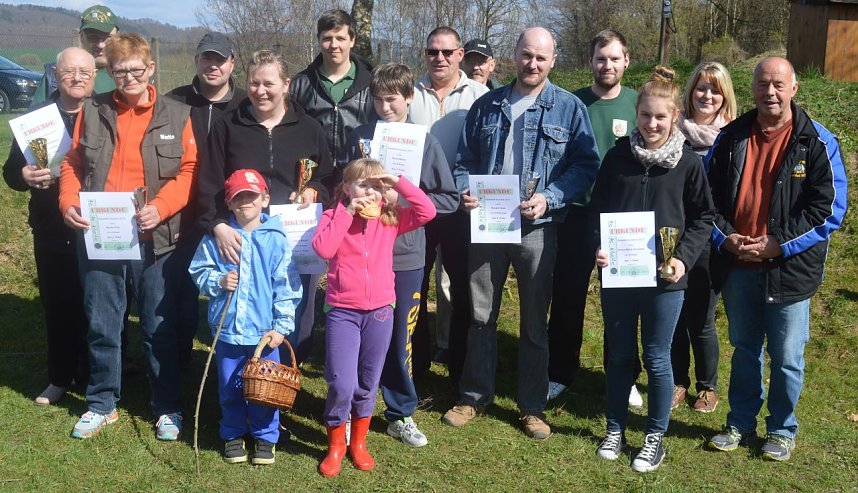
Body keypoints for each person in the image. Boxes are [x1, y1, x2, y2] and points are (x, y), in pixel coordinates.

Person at [443, 27, 600, 440]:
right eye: (526, 55)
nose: (533, 64)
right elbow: (464, 158)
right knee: (480, 314)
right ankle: (473, 395)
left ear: (553, 61)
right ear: (514, 55)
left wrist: (550, 197)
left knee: (534, 320)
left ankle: (531, 406)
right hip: (488, 223)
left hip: (538, 228)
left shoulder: (568, 108)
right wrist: (465, 189)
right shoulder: (488, 104)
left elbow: (585, 165)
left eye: (541, 58)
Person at [706, 57, 847, 462]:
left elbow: (828, 209)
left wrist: (778, 244)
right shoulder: (730, 137)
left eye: (778, 85)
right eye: (763, 84)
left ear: (794, 89)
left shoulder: (818, 142)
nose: (770, 91)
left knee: (787, 357)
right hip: (739, 265)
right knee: (745, 347)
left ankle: (782, 429)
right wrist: (726, 238)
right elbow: (707, 199)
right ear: (752, 89)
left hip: (789, 268)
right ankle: (740, 422)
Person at [59, 33, 197, 440]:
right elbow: (72, 161)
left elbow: (188, 171)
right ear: (110, 72)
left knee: (159, 326)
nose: (130, 78)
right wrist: (67, 202)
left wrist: (163, 207)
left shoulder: (177, 113)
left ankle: (168, 407)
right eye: (121, 72)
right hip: (101, 236)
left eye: (137, 70)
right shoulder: (94, 109)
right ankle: (102, 403)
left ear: (150, 68)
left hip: (156, 239)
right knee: (102, 323)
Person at [591, 66, 715, 472]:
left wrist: (683, 257)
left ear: (675, 116)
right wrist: (600, 247)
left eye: (661, 116)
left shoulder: (687, 164)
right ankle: (614, 427)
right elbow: (598, 211)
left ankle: (654, 436)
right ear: (637, 113)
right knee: (621, 354)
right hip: (620, 276)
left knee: (658, 357)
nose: (652, 123)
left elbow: (703, 216)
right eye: (645, 115)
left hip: (666, 279)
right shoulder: (616, 158)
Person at [340, 63, 459, 447]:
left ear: (410, 97)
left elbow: (448, 198)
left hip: (405, 254)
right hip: (359, 254)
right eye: (377, 99)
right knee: (353, 338)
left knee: (399, 337)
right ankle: (347, 411)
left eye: (392, 99)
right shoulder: (359, 138)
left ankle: (400, 412)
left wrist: (402, 196)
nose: (384, 107)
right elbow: (341, 188)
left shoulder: (425, 141)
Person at [312, 159, 436, 478]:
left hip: (381, 311)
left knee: (368, 382)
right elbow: (323, 248)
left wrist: (398, 181)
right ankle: (336, 445)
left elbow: (427, 211)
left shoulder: (389, 218)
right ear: (346, 188)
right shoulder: (334, 216)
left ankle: (358, 444)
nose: (370, 192)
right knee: (342, 383)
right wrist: (346, 212)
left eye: (377, 186)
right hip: (343, 311)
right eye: (363, 184)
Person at [547, 29, 643, 407]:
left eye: (615, 58)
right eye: (601, 58)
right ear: (591, 61)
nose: (608, 65)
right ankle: (559, 373)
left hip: (622, 219)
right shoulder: (572, 103)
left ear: (626, 61)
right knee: (567, 297)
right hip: (576, 215)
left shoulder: (638, 104)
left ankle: (624, 376)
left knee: (621, 304)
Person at [188, 169, 302, 466]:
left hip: (265, 336)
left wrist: (281, 327)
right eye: (238, 198)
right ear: (229, 204)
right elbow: (199, 270)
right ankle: (233, 433)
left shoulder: (276, 240)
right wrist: (219, 281)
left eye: (252, 196)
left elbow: (286, 285)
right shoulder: (217, 239)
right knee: (230, 386)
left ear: (265, 199)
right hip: (227, 332)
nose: (245, 203)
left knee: (265, 391)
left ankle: (265, 436)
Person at [3, 47, 95, 406]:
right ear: (55, 74)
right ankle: (59, 376)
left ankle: (94, 376)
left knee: (96, 303)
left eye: (84, 73)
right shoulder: (36, 117)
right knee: (57, 304)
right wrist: (24, 174)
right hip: (51, 226)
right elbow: (11, 172)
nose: (77, 78)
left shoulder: (104, 113)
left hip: (95, 225)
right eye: (69, 71)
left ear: (93, 76)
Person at [410, 26, 489, 384]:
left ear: (460, 54)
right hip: (418, 207)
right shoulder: (409, 93)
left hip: (461, 206)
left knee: (461, 285)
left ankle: (459, 362)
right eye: (432, 52)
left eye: (447, 52)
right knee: (416, 283)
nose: (438, 58)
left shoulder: (480, 95)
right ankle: (416, 360)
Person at [167, 32, 247, 367]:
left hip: (229, 214)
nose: (212, 66)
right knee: (180, 291)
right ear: (196, 61)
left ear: (232, 63)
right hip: (183, 212)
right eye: (206, 58)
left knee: (235, 287)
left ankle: (239, 358)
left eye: (220, 59)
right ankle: (180, 359)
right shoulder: (174, 102)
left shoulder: (246, 104)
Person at [670, 61, 737, 413]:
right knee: (673, 314)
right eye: (701, 87)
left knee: (701, 316)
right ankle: (677, 381)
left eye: (714, 89)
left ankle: (707, 386)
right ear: (690, 91)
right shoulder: (673, 132)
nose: (707, 95)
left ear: (725, 96)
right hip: (672, 239)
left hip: (710, 242)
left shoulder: (733, 139)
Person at [32, 5, 118, 106]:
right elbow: (33, 118)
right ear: (81, 38)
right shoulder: (55, 76)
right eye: (93, 37)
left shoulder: (130, 76)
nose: (101, 45)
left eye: (108, 38)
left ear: (118, 38)